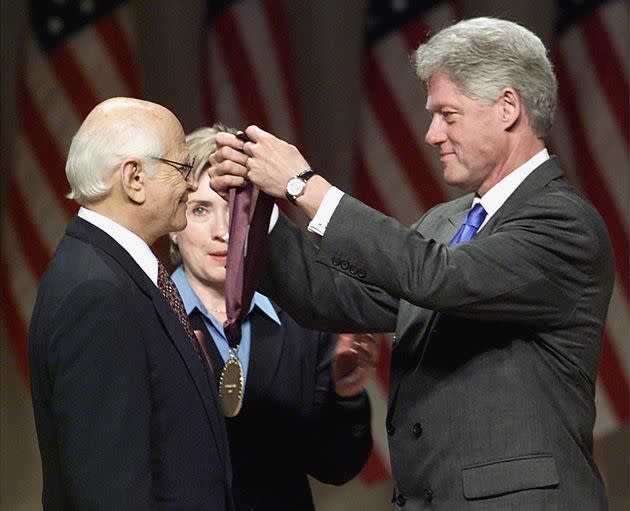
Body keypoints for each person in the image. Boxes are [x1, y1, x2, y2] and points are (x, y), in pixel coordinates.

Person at [208, 17, 615, 511]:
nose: (430, 134)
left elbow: (441, 278)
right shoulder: (445, 222)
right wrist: (258, 206)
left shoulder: (562, 222)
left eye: (447, 114)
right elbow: (332, 297)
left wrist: (305, 187)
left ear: (508, 108)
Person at [28, 98, 233, 510]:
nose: (193, 184)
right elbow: (109, 489)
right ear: (134, 178)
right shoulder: (96, 293)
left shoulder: (113, 271)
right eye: (182, 169)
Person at [167, 124, 375, 511]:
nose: (222, 233)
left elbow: (335, 467)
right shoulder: (150, 318)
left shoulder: (303, 318)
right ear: (174, 226)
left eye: (236, 210)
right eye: (200, 209)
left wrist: (345, 398)